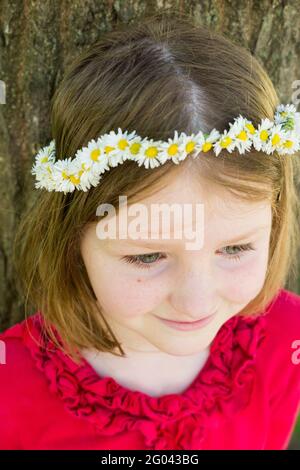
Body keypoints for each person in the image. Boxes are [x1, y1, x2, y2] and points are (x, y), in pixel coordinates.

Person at [0, 11, 300, 450]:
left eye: (236, 248)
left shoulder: (287, 339)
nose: (196, 301)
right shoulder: (10, 384)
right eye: (147, 256)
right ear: (72, 235)